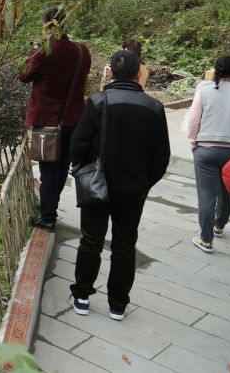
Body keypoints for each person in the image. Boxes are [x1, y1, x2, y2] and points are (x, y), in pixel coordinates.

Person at [68, 50, 170, 322]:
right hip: (134, 188)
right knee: (125, 243)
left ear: (111, 73)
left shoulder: (98, 101)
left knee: (91, 239)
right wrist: (144, 182)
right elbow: (162, 156)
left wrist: (82, 170)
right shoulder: (154, 107)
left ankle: (82, 296)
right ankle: (118, 304)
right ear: (138, 73)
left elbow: (78, 145)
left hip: (97, 185)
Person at [20, 7, 91, 233]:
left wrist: (33, 50)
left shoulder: (43, 52)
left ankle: (48, 217)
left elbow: (23, 75)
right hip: (74, 120)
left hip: (47, 121)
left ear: (46, 26)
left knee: (49, 170)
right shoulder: (81, 50)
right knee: (62, 168)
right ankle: (51, 207)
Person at [185, 56, 230, 253]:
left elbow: (194, 120)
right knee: (227, 192)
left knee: (206, 195)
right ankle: (219, 226)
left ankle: (206, 240)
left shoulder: (204, 89)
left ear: (215, 72)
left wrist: (194, 143)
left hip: (206, 149)